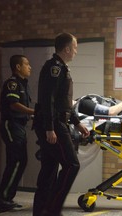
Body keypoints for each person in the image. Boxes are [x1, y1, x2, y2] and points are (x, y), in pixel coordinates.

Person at [32, 32, 90, 216]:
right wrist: (49, 128)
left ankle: (41, 210)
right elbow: (47, 99)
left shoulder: (62, 68)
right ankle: (52, 208)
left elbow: (63, 101)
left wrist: (77, 123)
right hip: (53, 124)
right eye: (74, 48)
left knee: (49, 169)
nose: (75, 52)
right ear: (66, 49)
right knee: (72, 165)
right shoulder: (54, 68)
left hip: (57, 121)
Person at [0, 54, 34, 207]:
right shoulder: (12, 84)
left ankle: (8, 197)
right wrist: (33, 112)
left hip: (19, 126)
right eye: (26, 64)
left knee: (21, 160)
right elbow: (13, 104)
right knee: (16, 160)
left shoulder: (23, 84)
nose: (30, 67)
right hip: (11, 125)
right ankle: (3, 198)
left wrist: (32, 116)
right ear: (18, 67)